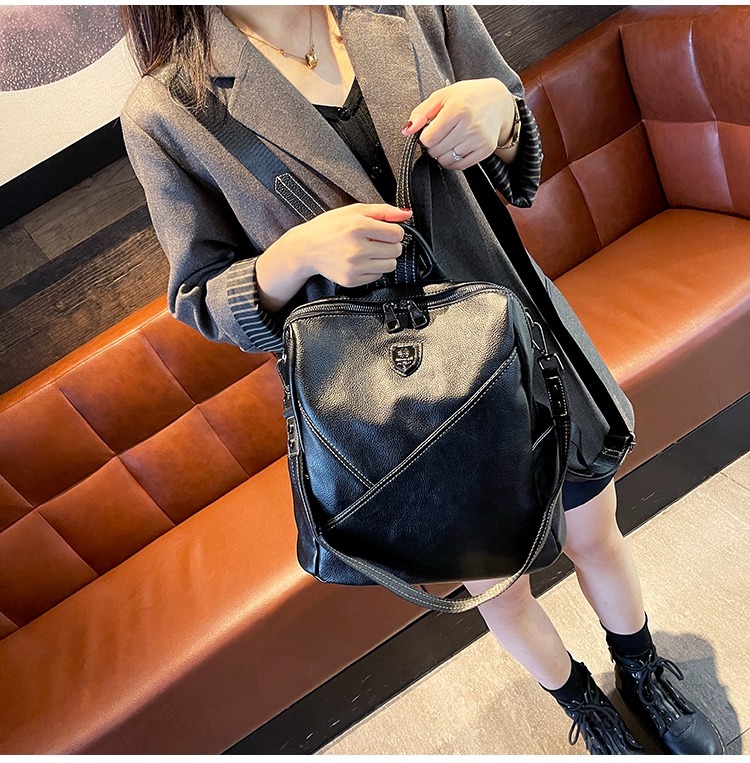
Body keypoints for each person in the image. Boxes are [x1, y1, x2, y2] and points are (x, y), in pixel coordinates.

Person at [119, 5, 724, 755]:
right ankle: (584, 704)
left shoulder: (405, 6)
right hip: (398, 400)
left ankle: (642, 670)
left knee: (595, 531)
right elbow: (200, 293)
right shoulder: (170, 110)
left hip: (517, 336)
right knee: (497, 586)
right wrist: (296, 257)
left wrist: (499, 114)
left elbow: (514, 136)